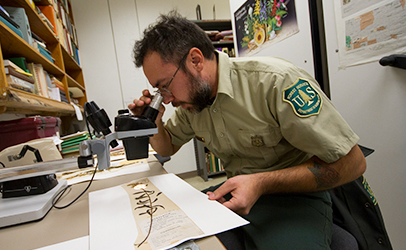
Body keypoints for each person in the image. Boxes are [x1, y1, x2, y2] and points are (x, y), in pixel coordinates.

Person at [128, 11, 366, 250]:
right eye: (159, 93)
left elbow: (354, 163)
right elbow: (167, 146)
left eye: (165, 86)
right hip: (236, 194)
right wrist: (155, 122)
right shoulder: (194, 102)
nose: (167, 100)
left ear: (196, 60)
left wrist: (261, 183)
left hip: (295, 198)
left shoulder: (276, 81)